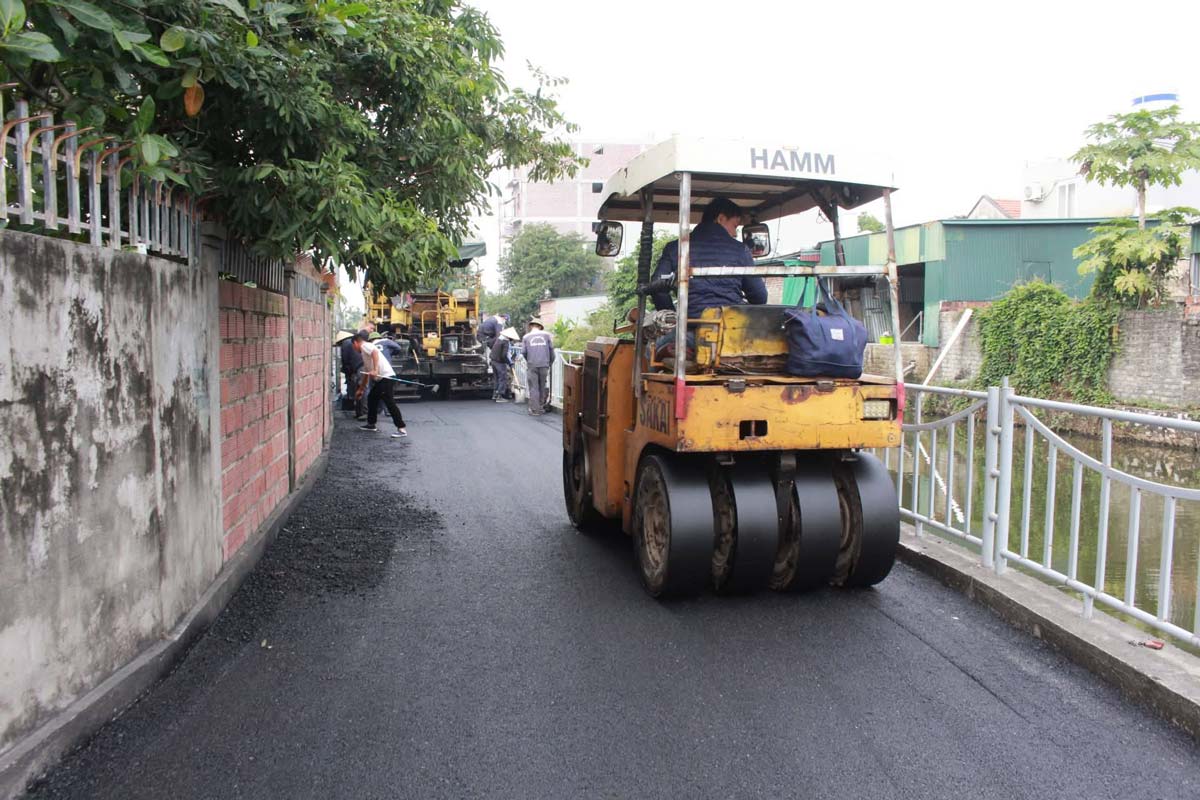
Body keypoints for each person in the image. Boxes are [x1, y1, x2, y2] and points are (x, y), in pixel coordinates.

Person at [650, 197, 767, 315]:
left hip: (687, 327)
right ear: (721, 218)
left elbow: (657, 288)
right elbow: (760, 297)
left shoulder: (674, 248)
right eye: (734, 226)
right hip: (730, 328)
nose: (735, 233)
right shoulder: (741, 250)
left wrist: (673, 318)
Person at [352, 330, 408, 438]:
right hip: (380, 379)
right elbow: (367, 373)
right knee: (372, 398)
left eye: (353, 346)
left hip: (386, 377)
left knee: (389, 403)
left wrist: (376, 370)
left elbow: (375, 352)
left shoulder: (365, 345)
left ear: (355, 343)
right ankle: (371, 424)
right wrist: (361, 389)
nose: (354, 349)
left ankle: (401, 429)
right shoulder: (364, 352)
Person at [521, 317, 555, 415]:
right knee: (542, 385)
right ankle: (541, 407)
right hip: (544, 364)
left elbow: (523, 352)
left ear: (531, 326)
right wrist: (550, 362)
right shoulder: (547, 335)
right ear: (540, 326)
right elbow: (551, 351)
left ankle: (535, 410)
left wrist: (529, 360)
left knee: (534, 387)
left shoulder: (526, 337)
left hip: (532, 365)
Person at [338, 330, 365, 419]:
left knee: (360, 389)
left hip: (358, 368)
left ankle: (362, 413)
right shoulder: (352, 342)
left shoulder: (345, 344)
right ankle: (360, 412)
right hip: (361, 366)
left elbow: (345, 360)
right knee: (361, 388)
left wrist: (348, 373)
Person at [490, 327, 519, 402]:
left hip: (493, 361)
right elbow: (504, 355)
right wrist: (510, 363)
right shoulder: (505, 342)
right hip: (500, 362)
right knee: (503, 378)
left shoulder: (499, 340)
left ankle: (495, 394)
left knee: (496, 378)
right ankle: (500, 396)